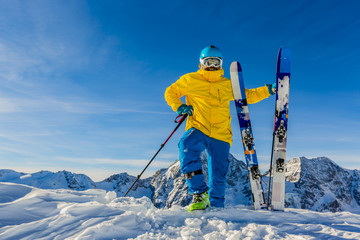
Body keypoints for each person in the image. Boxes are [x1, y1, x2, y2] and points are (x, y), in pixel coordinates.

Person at [165, 45, 275, 211]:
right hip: (198, 127)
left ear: (221, 64)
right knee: (186, 146)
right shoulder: (190, 80)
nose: (212, 66)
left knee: (219, 173)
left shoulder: (227, 84)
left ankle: (216, 206)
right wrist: (179, 106)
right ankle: (199, 193)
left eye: (216, 62)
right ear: (201, 63)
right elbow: (170, 92)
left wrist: (268, 90)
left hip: (221, 134)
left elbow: (248, 96)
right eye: (208, 61)